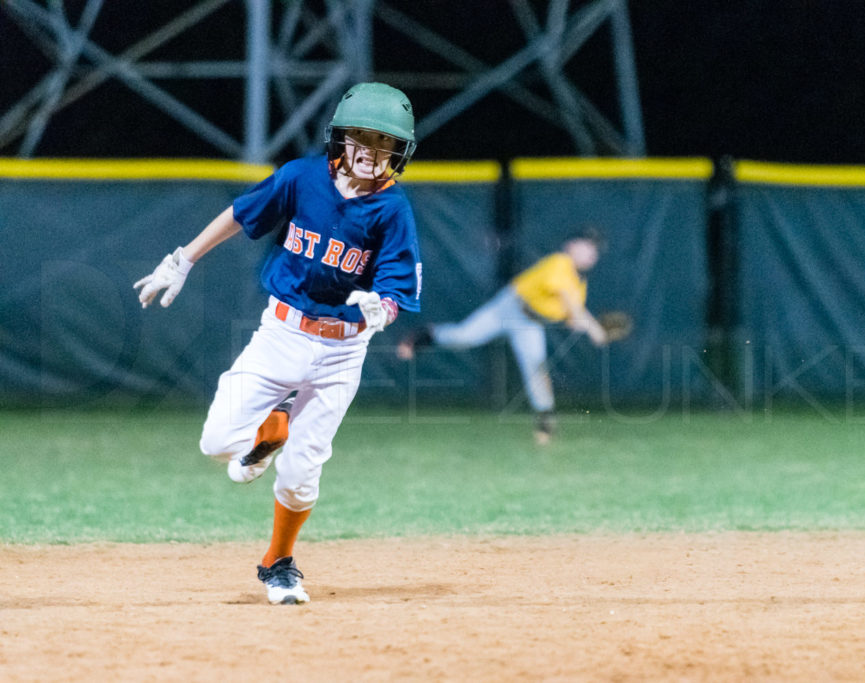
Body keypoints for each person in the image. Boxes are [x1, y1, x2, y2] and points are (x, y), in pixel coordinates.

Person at [133, 82, 422, 605]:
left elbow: (398, 285)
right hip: (282, 333)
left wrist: (385, 308)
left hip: (342, 349)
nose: (369, 151)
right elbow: (243, 214)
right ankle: (270, 427)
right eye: (360, 136)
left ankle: (279, 563)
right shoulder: (301, 178)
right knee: (217, 443)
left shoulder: (392, 210)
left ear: (398, 153)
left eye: (383, 142)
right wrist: (183, 259)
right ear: (339, 138)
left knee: (302, 470)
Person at [397, 228, 608, 445]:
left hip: (530, 324)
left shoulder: (580, 286)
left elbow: (572, 316)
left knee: (536, 368)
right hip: (509, 307)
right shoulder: (560, 262)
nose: (590, 253)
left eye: (594, 250)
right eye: (586, 246)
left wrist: (583, 325)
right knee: (465, 337)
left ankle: (545, 421)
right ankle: (426, 335)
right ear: (570, 246)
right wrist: (594, 329)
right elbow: (570, 304)